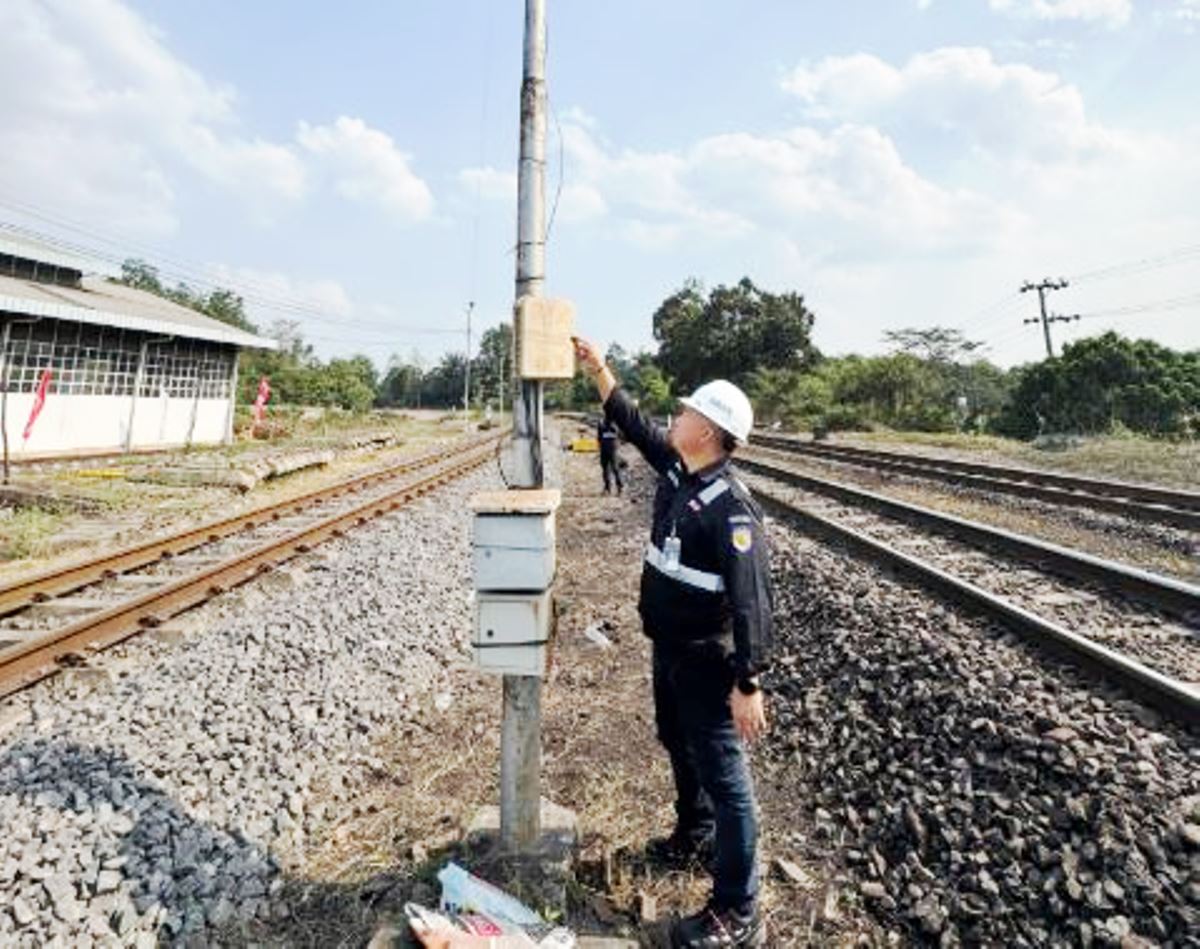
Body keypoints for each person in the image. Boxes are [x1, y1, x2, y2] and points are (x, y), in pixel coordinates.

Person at [572, 337, 773, 949]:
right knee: (676, 742)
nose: (674, 418)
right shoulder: (680, 471)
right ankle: (695, 833)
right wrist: (598, 368)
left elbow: (751, 603)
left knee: (727, 778)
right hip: (669, 651)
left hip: (709, 664)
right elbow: (631, 422)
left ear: (709, 432)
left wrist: (749, 682)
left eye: (685, 413)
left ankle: (740, 910)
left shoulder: (732, 510)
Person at [597, 413, 623, 495]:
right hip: (604, 448)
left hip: (612, 449)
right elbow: (599, 436)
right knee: (605, 468)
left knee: (615, 468)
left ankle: (620, 487)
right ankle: (607, 488)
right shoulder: (601, 422)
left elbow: (620, 434)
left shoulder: (616, 422)